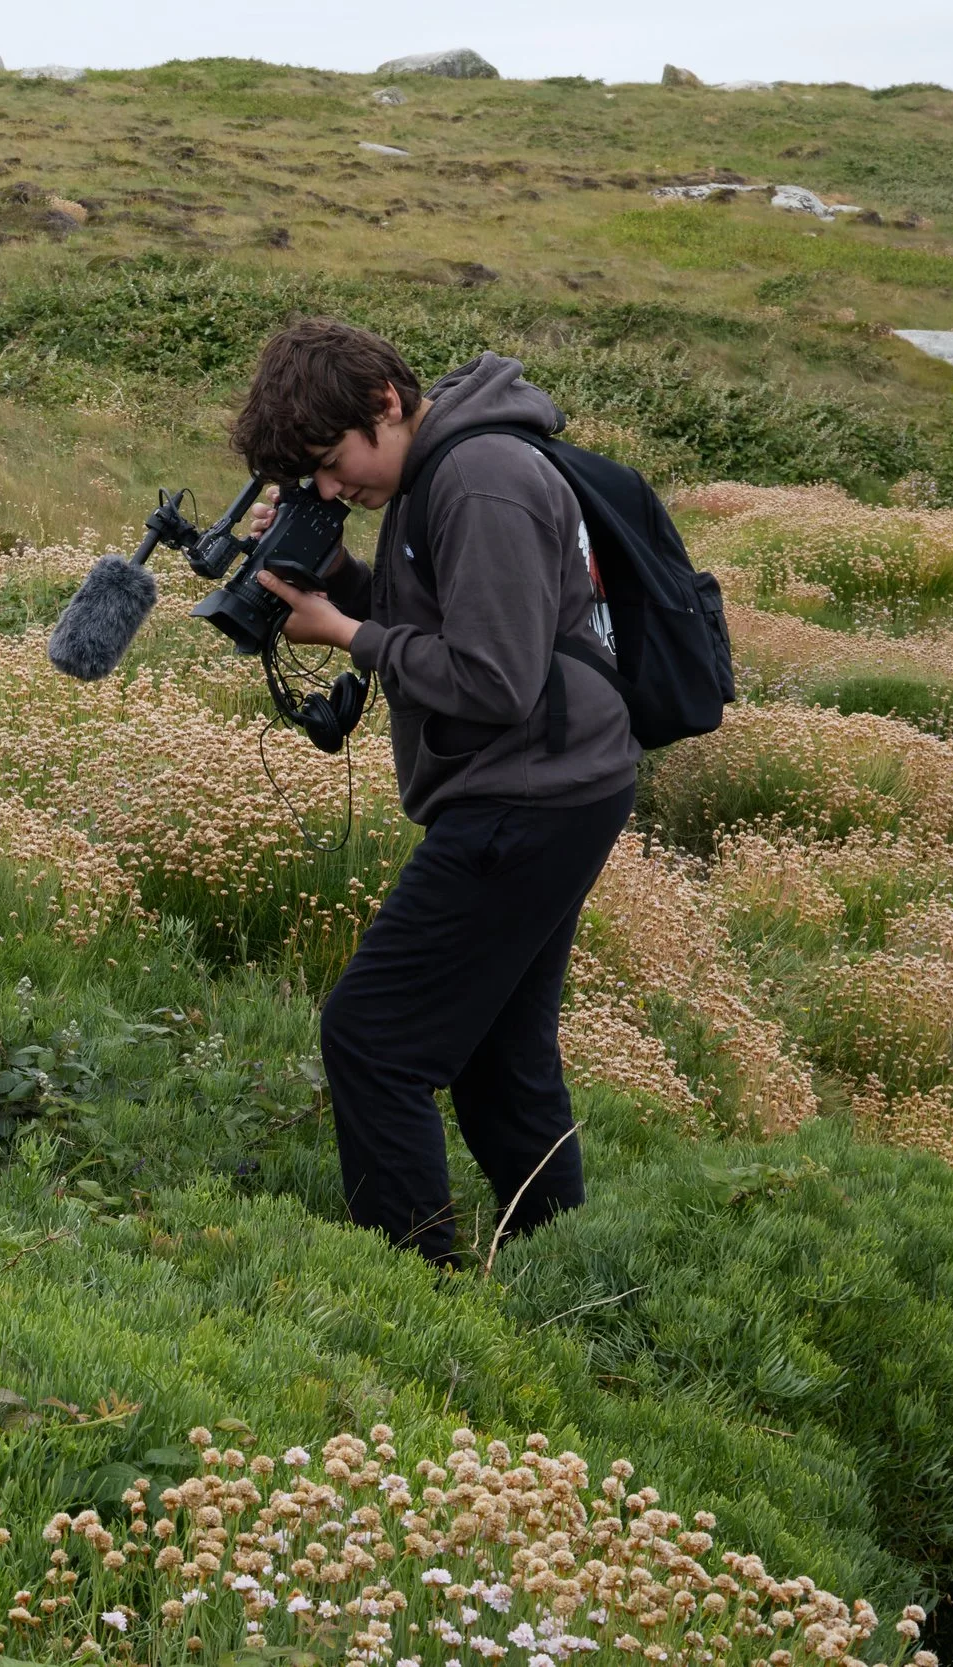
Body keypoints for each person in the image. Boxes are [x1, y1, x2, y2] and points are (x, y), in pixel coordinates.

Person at [233, 317, 640, 1266]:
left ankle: (411, 1291)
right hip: (562, 782)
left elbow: (494, 679)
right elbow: (449, 614)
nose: (336, 490)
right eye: (317, 481)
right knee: (502, 1061)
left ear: (385, 402)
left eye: (335, 464)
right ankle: (564, 1274)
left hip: (531, 795)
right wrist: (333, 578)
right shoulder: (439, 468)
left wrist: (345, 636)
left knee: (374, 1039)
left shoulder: (479, 479)